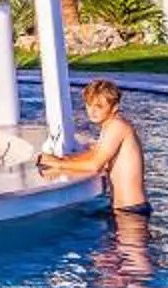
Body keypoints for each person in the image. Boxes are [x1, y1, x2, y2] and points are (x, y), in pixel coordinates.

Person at [37, 79, 149, 214]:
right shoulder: (109, 125)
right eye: (89, 105)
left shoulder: (117, 126)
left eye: (99, 106)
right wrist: (63, 159)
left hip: (132, 211)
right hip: (124, 209)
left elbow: (95, 165)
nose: (92, 111)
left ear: (115, 107)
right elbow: (94, 153)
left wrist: (58, 164)